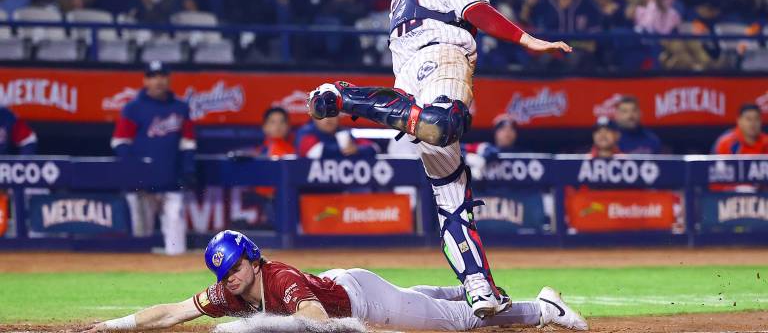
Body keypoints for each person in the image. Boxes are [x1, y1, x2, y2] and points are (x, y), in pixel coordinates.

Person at [307, 0, 572, 319]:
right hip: (442, 60)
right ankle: (346, 94)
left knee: (452, 201)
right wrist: (528, 40)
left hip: (407, 82)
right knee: (444, 123)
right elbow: (476, 12)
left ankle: (479, 287)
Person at [83, 230, 588, 332]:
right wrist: (112, 326)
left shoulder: (277, 279)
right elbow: (174, 311)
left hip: (363, 302)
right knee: (425, 301)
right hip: (353, 286)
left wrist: (257, 329)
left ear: (253, 260)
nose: (230, 279)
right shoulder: (230, 291)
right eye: (224, 272)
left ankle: (546, 310)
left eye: (235, 266)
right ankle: (461, 286)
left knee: (461, 324)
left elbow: (319, 322)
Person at [111, 61, 196, 255]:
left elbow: (188, 144)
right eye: (153, 76)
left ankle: (176, 280)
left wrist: (188, 170)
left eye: (162, 76)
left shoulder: (181, 108)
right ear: (145, 80)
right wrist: (135, 171)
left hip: (171, 181)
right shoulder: (133, 108)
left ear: (169, 79)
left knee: (176, 243)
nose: (158, 81)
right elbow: (120, 143)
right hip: (141, 184)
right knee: (141, 240)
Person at [295, 115, 376, 159]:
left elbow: (373, 147)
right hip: (310, 187)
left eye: (332, 115)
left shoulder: (343, 131)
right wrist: (347, 151)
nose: (328, 120)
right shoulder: (306, 131)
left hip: (340, 185)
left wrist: (357, 149)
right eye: (323, 115)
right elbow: (314, 152)